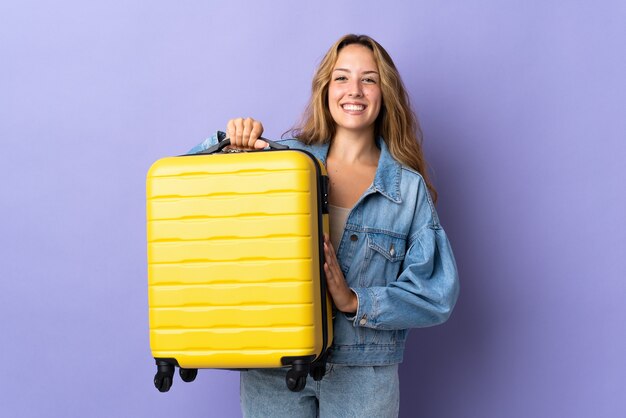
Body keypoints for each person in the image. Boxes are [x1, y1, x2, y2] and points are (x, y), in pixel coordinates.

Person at [189, 34, 460, 418]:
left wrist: (354, 301)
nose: (355, 90)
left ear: (385, 92)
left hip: (363, 374)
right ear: (325, 89)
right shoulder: (284, 162)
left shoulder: (407, 189)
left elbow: (437, 294)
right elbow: (189, 191)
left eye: (369, 79)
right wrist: (227, 146)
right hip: (276, 364)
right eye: (342, 78)